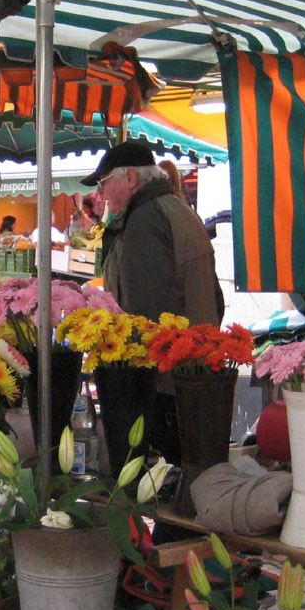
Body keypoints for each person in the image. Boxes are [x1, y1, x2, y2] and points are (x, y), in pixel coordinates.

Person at [82, 141, 225, 464]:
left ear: (130, 178)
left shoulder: (146, 219)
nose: (102, 193)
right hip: (193, 368)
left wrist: (138, 378)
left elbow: (148, 312)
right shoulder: (175, 208)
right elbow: (214, 298)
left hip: (165, 380)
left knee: (165, 474)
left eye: (104, 183)